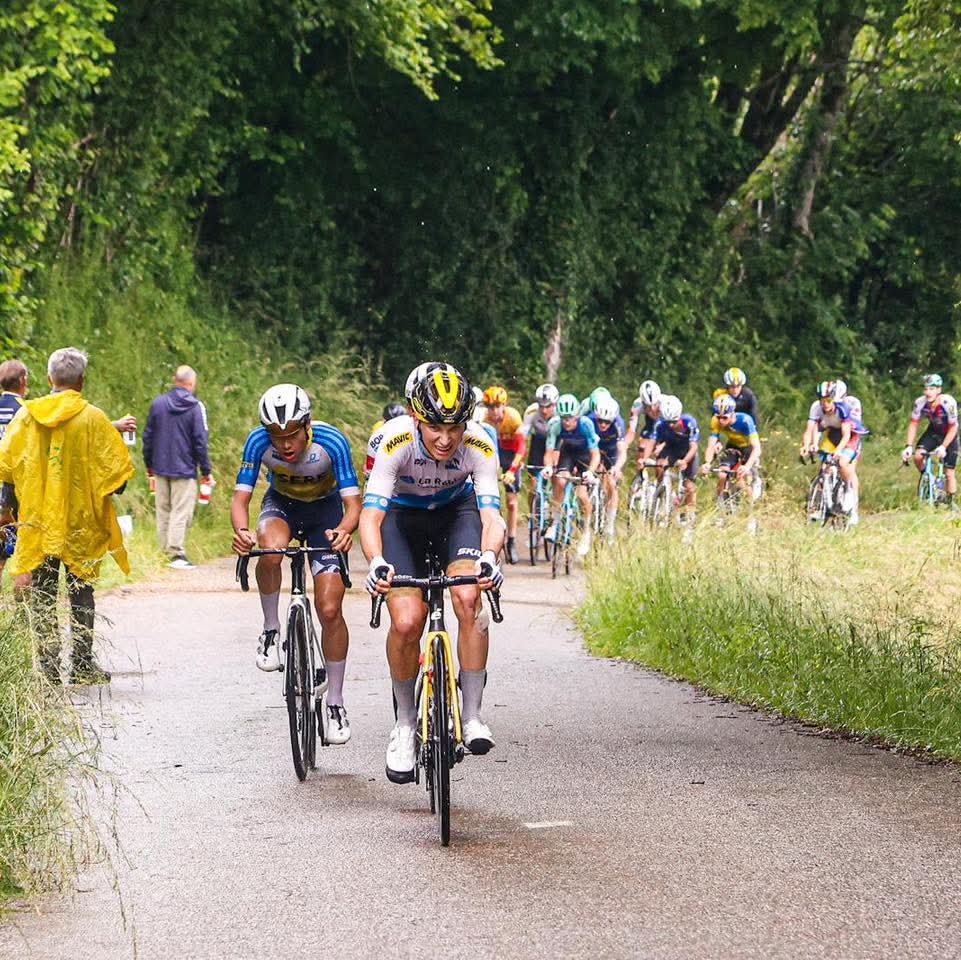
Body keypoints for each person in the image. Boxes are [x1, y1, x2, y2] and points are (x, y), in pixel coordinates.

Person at [361, 363, 504, 783]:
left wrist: (490, 557)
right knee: (407, 619)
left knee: (468, 597)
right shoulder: (395, 440)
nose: (445, 439)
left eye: (455, 428)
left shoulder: (479, 441)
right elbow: (371, 516)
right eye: (435, 428)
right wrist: (376, 562)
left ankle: (473, 715)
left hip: (455, 515)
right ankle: (404, 726)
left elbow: (490, 515)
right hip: (401, 520)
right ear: (415, 417)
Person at [231, 384, 360, 743]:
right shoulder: (257, 442)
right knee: (270, 550)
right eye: (276, 436)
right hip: (282, 506)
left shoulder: (331, 443)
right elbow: (241, 499)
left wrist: (346, 530)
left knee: (330, 608)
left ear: (307, 425)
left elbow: (353, 505)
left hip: (326, 514)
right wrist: (242, 532)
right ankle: (272, 629)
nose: (284, 444)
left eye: (291, 435)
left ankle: (334, 701)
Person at [0, 347, 134, 683]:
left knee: (44, 593)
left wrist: (9, 508)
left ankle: (47, 670)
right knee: (81, 591)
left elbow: (7, 468)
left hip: (39, 521)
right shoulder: (93, 418)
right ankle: (82, 665)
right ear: (82, 381)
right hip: (81, 523)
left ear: (49, 379)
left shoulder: (27, 417)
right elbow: (117, 479)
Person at [142, 365, 213, 569]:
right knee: (181, 511)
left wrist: (149, 465)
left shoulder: (158, 404)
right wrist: (205, 470)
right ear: (191, 383)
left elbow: (148, 436)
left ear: (175, 380)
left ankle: (164, 552)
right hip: (185, 468)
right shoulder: (196, 407)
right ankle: (176, 554)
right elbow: (200, 441)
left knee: (163, 510)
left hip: (160, 467)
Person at [800, 380, 866, 524]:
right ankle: (820, 504)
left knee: (843, 463)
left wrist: (838, 451)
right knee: (825, 467)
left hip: (849, 436)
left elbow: (847, 435)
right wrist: (809, 445)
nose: (825, 404)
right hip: (832, 435)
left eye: (829, 401)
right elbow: (811, 429)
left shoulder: (844, 408)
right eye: (822, 401)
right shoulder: (816, 408)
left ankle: (852, 504)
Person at [542, 393, 601, 556]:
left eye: (570, 418)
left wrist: (590, 471)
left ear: (577, 416)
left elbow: (595, 454)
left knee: (582, 494)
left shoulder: (586, 424)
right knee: (559, 481)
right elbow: (549, 451)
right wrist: (548, 466)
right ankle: (554, 523)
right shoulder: (555, 424)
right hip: (568, 454)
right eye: (564, 418)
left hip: (585, 457)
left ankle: (586, 533)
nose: (566, 422)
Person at [483, 385, 526, 564]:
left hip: (510, 454)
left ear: (504, 405)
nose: (493, 411)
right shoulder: (484, 420)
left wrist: (512, 470)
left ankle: (512, 541)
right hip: (492, 452)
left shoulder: (514, 417)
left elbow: (522, 447)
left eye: (497, 406)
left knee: (511, 501)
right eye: (490, 407)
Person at [902, 373, 959, 508]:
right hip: (933, 431)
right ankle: (928, 480)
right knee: (917, 456)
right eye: (926, 389)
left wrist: (944, 446)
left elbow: (953, 427)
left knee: (949, 473)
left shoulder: (948, 403)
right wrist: (908, 445)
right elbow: (914, 423)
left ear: (939, 390)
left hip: (949, 434)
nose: (928, 392)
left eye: (932, 389)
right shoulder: (920, 402)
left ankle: (950, 502)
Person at [700, 394, 761, 501]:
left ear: (732, 414)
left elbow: (757, 448)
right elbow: (711, 445)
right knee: (722, 474)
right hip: (733, 446)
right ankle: (722, 509)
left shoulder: (745, 420)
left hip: (748, 448)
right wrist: (707, 463)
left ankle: (750, 507)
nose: (721, 421)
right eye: (719, 417)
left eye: (724, 417)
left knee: (741, 478)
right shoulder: (715, 421)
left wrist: (746, 466)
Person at [0, 359, 28, 586]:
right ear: (23, 381)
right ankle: (23, 612)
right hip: (17, 491)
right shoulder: (27, 413)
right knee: (24, 553)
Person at [652, 395, 699, 524]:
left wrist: (685, 461)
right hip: (672, 449)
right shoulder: (661, 424)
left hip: (687, 452)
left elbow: (694, 446)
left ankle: (689, 517)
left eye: (674, 422)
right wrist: (647, 455)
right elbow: (654, 442)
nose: (671, 425)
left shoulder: (689, 422)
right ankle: (661, 495)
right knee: (660, 465)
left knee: (689, 486)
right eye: (669, 422)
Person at [587, 395, 628, 538]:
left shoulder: (619, 424)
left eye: (607, 422)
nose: (603, 425)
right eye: (600, 421)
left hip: (611, 450)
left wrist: (616, 468)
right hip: (594, 449)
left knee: (610, 482)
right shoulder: (590, 420)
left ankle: (609, 524)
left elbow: (622, 451)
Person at [625, 380, 662, 464]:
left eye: (655, 404)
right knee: (642, 447)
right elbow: (631, 431)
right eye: (648, 406)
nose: (652, 409)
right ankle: (641, 475)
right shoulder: (637, 405)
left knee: (661, 453)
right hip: (651, 423)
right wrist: (624, 444)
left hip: (666, 424)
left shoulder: (667, 404)